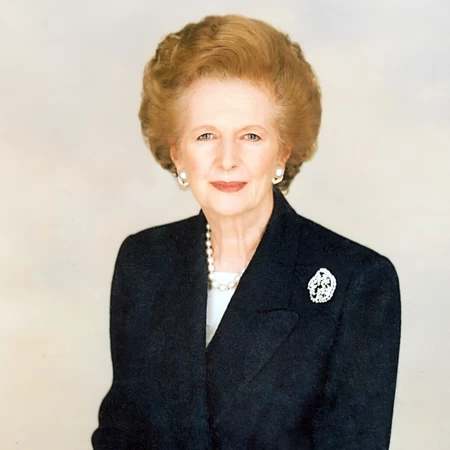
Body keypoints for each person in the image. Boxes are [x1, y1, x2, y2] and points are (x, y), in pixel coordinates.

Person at [91, 14, 401, 450]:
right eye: (205, 136)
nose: (227, 160)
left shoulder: (357, 281)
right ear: (177, 154)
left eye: (251, 136)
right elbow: (121, 433)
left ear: (283, 151)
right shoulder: (144, 261)